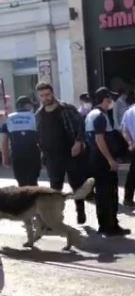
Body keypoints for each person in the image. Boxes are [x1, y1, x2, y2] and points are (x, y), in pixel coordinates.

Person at [35, 83, 88, 224]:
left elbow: (81, 125)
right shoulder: (39, 114)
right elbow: (38, 134)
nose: (45, 98)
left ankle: (80, 211)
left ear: (52, 93)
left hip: (71, 153)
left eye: (47, 94)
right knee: (54, 189)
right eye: (42, 96)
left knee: (76, 184)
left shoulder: (66, 108)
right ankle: (57, 217)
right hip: (52, 157)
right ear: (38, 97)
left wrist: (78, 142)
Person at [86, 88, 130, 236]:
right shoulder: (100, 116)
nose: (111, 102)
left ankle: (106, 225)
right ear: (104, 100)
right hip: (103, 161)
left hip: (95, 159)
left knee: (102, 193)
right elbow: (100, 139)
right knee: (109, 193)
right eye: (110, 99)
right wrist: (110, 160)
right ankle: (110, 226)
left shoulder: (92, 114)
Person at [2, 97, 41, 186]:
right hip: (33, 154)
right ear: (26, 105)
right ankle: (33, 198)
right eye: (30, 104)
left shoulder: (8, 118)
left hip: (17, 155)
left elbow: (4, 141)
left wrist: (5, 158)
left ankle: (23, 198)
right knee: (33, 181)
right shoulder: (35, 117)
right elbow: (42, 137)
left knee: (21, 182)